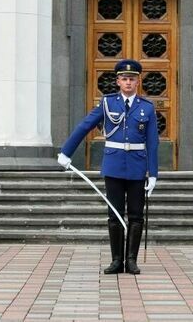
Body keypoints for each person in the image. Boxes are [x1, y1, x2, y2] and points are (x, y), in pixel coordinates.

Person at [57, 59, 159, 275]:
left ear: (138, 81)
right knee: (114, 214)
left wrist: (154, 173)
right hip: (113, 165)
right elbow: (85, 125)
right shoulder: (107, 103)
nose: (128, 82)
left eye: (132, 79)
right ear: (118, 81)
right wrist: (65, 152)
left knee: (136, 215)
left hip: (137, 166)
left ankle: (131, 260)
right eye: (124, 79)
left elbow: (152, 142)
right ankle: (116, 260)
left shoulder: (147, 108)